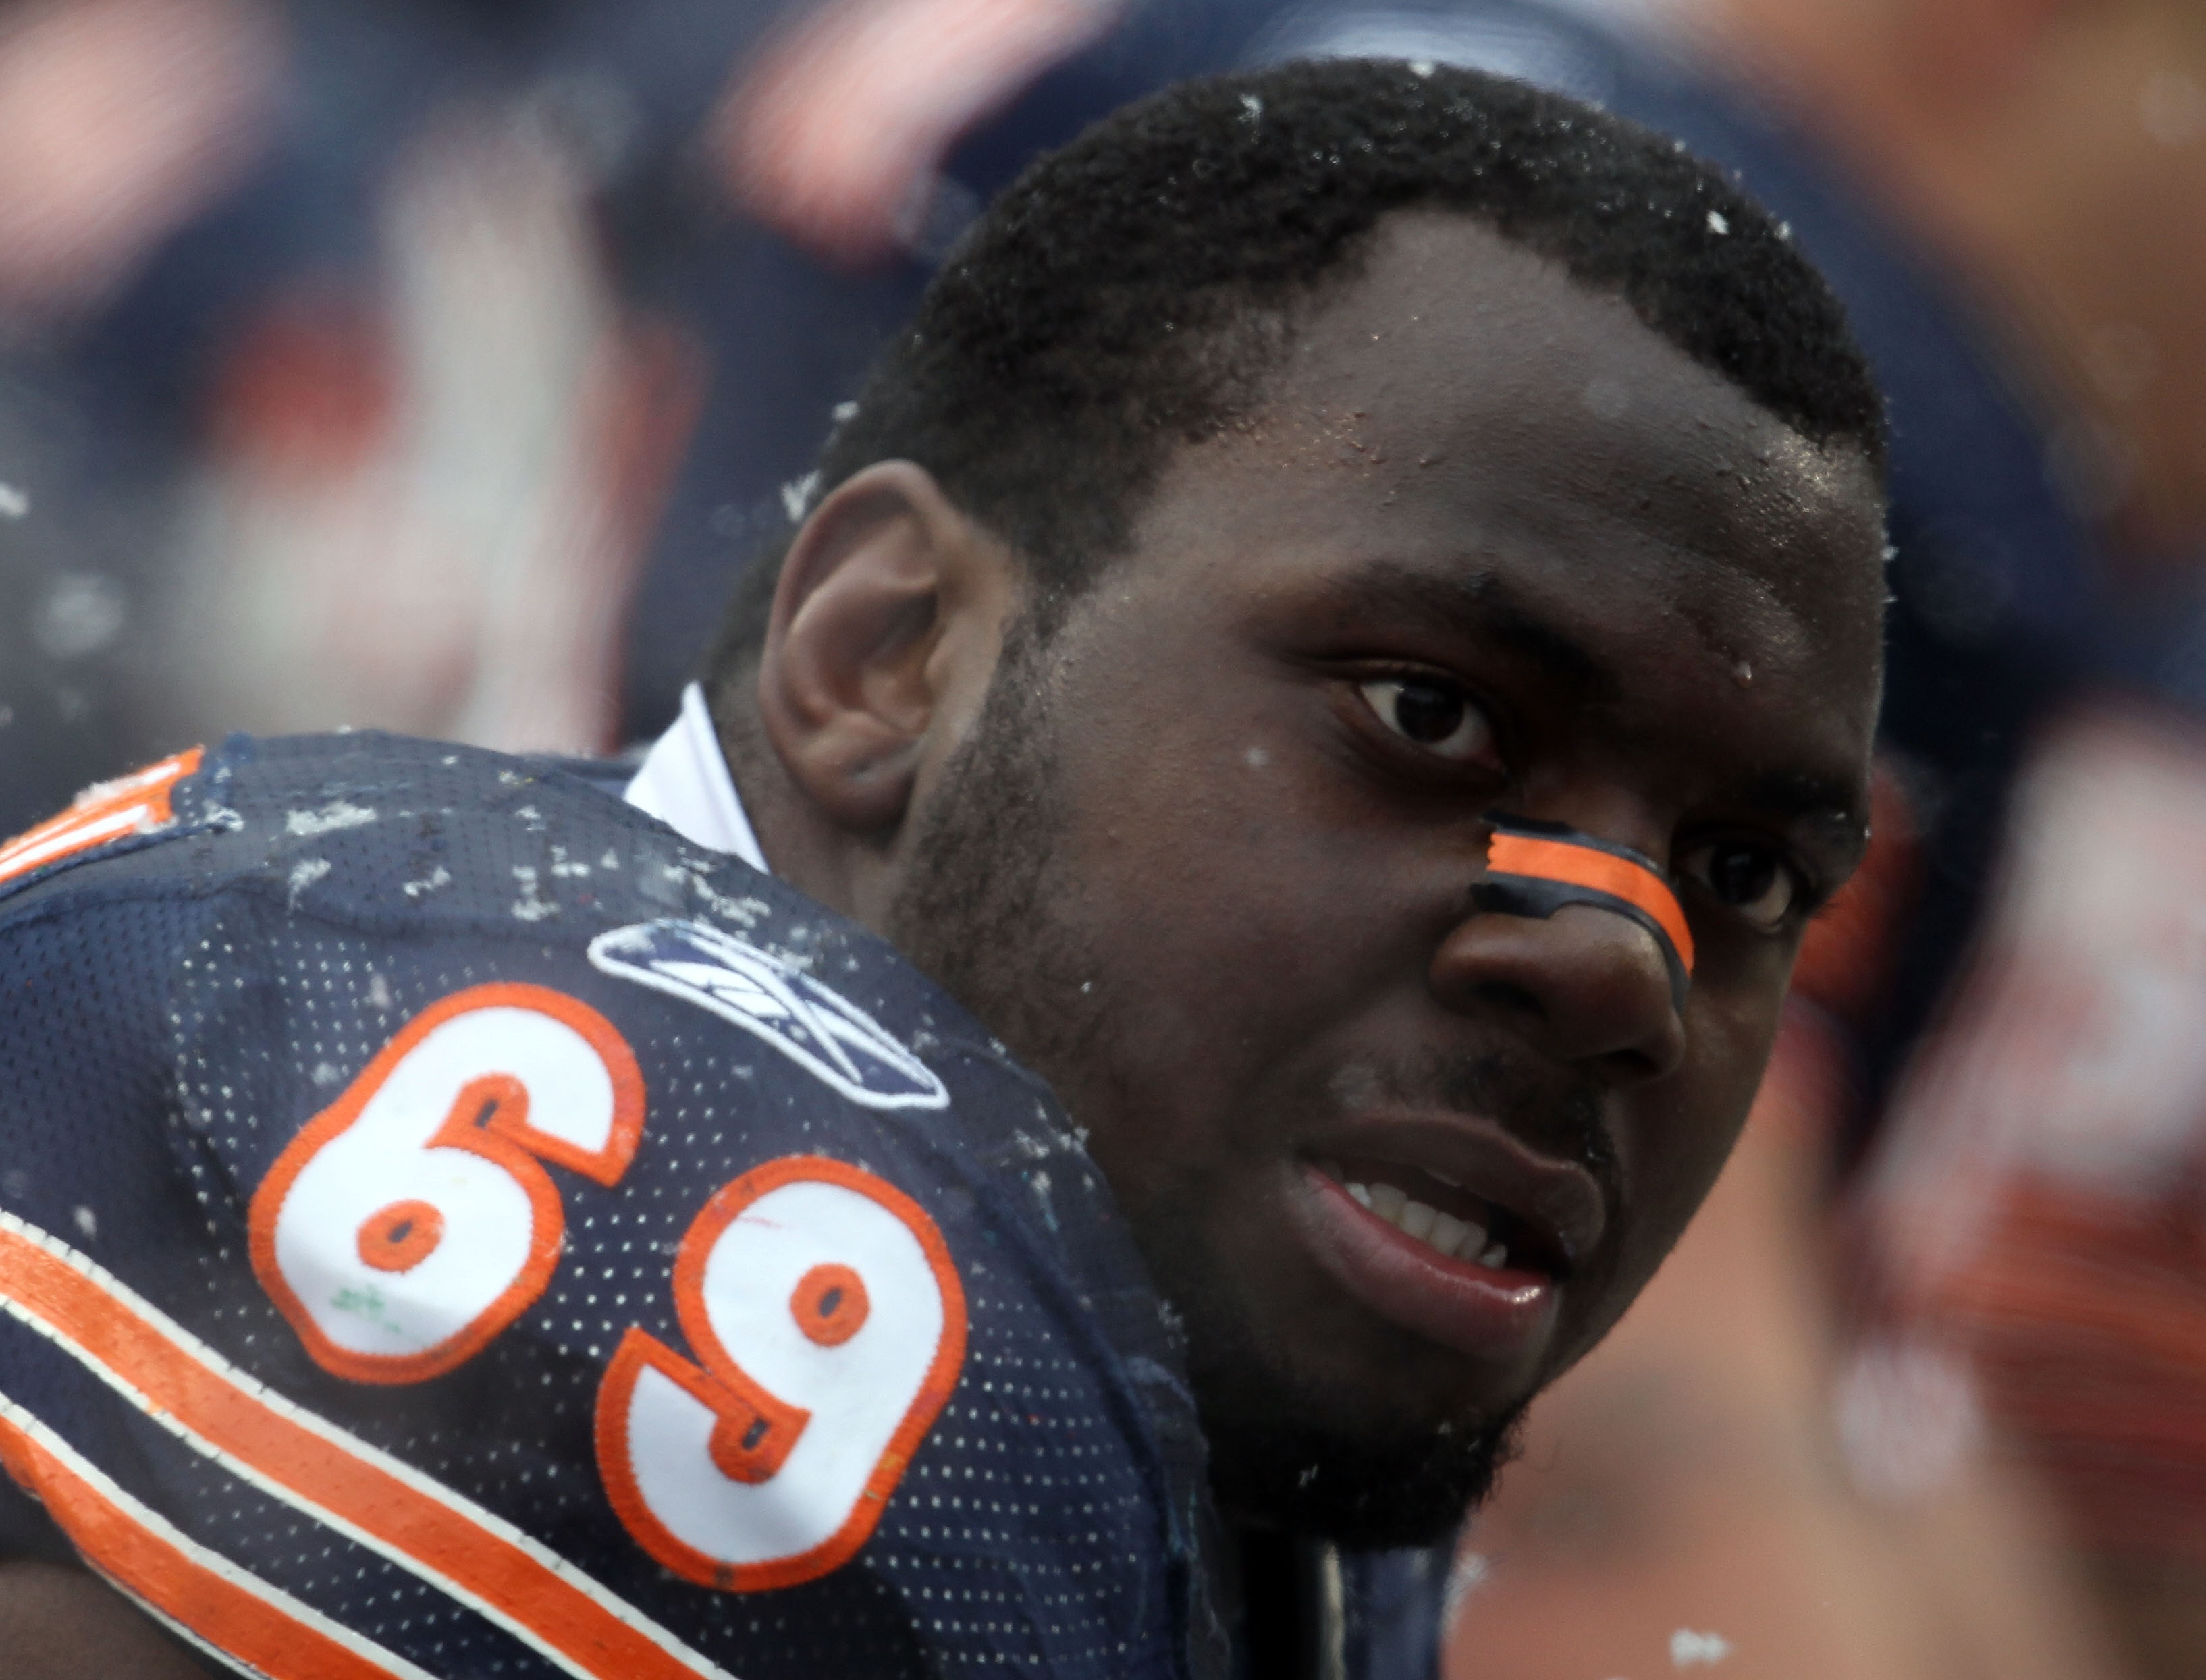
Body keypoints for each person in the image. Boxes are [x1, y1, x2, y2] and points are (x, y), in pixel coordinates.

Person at [0, 59, 1887, 1679]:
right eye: (1425, 712)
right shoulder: (641, 1203)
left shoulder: (1222, 1337)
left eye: (1739, 869)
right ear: (890, 655)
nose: (1624, 964)